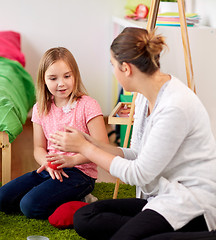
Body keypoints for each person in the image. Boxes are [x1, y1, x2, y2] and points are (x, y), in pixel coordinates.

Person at [50, 27, 216, 239]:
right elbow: (137, 153)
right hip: (161, 197)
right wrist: (90, 141)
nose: (113, 71)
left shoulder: (174, 107)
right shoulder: (145, 96)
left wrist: (85, 148)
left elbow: (138, 173)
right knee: (85, 217)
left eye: (112, 65)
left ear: (126, 68)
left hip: (192, 202)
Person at [0, 47, 109, 219]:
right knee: (2, 199)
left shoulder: (88, 105)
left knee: (30, 206)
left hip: (80, 173)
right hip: (51, 169)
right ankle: (56, 195)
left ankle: (81, 198)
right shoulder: (40, 108)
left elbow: (103, 147)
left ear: (75, 75)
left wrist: (72, 160)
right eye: (53, 78)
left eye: (67, 76)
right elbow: (39, 148)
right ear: (44, 80)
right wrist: (47, 164)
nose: (61, 83)